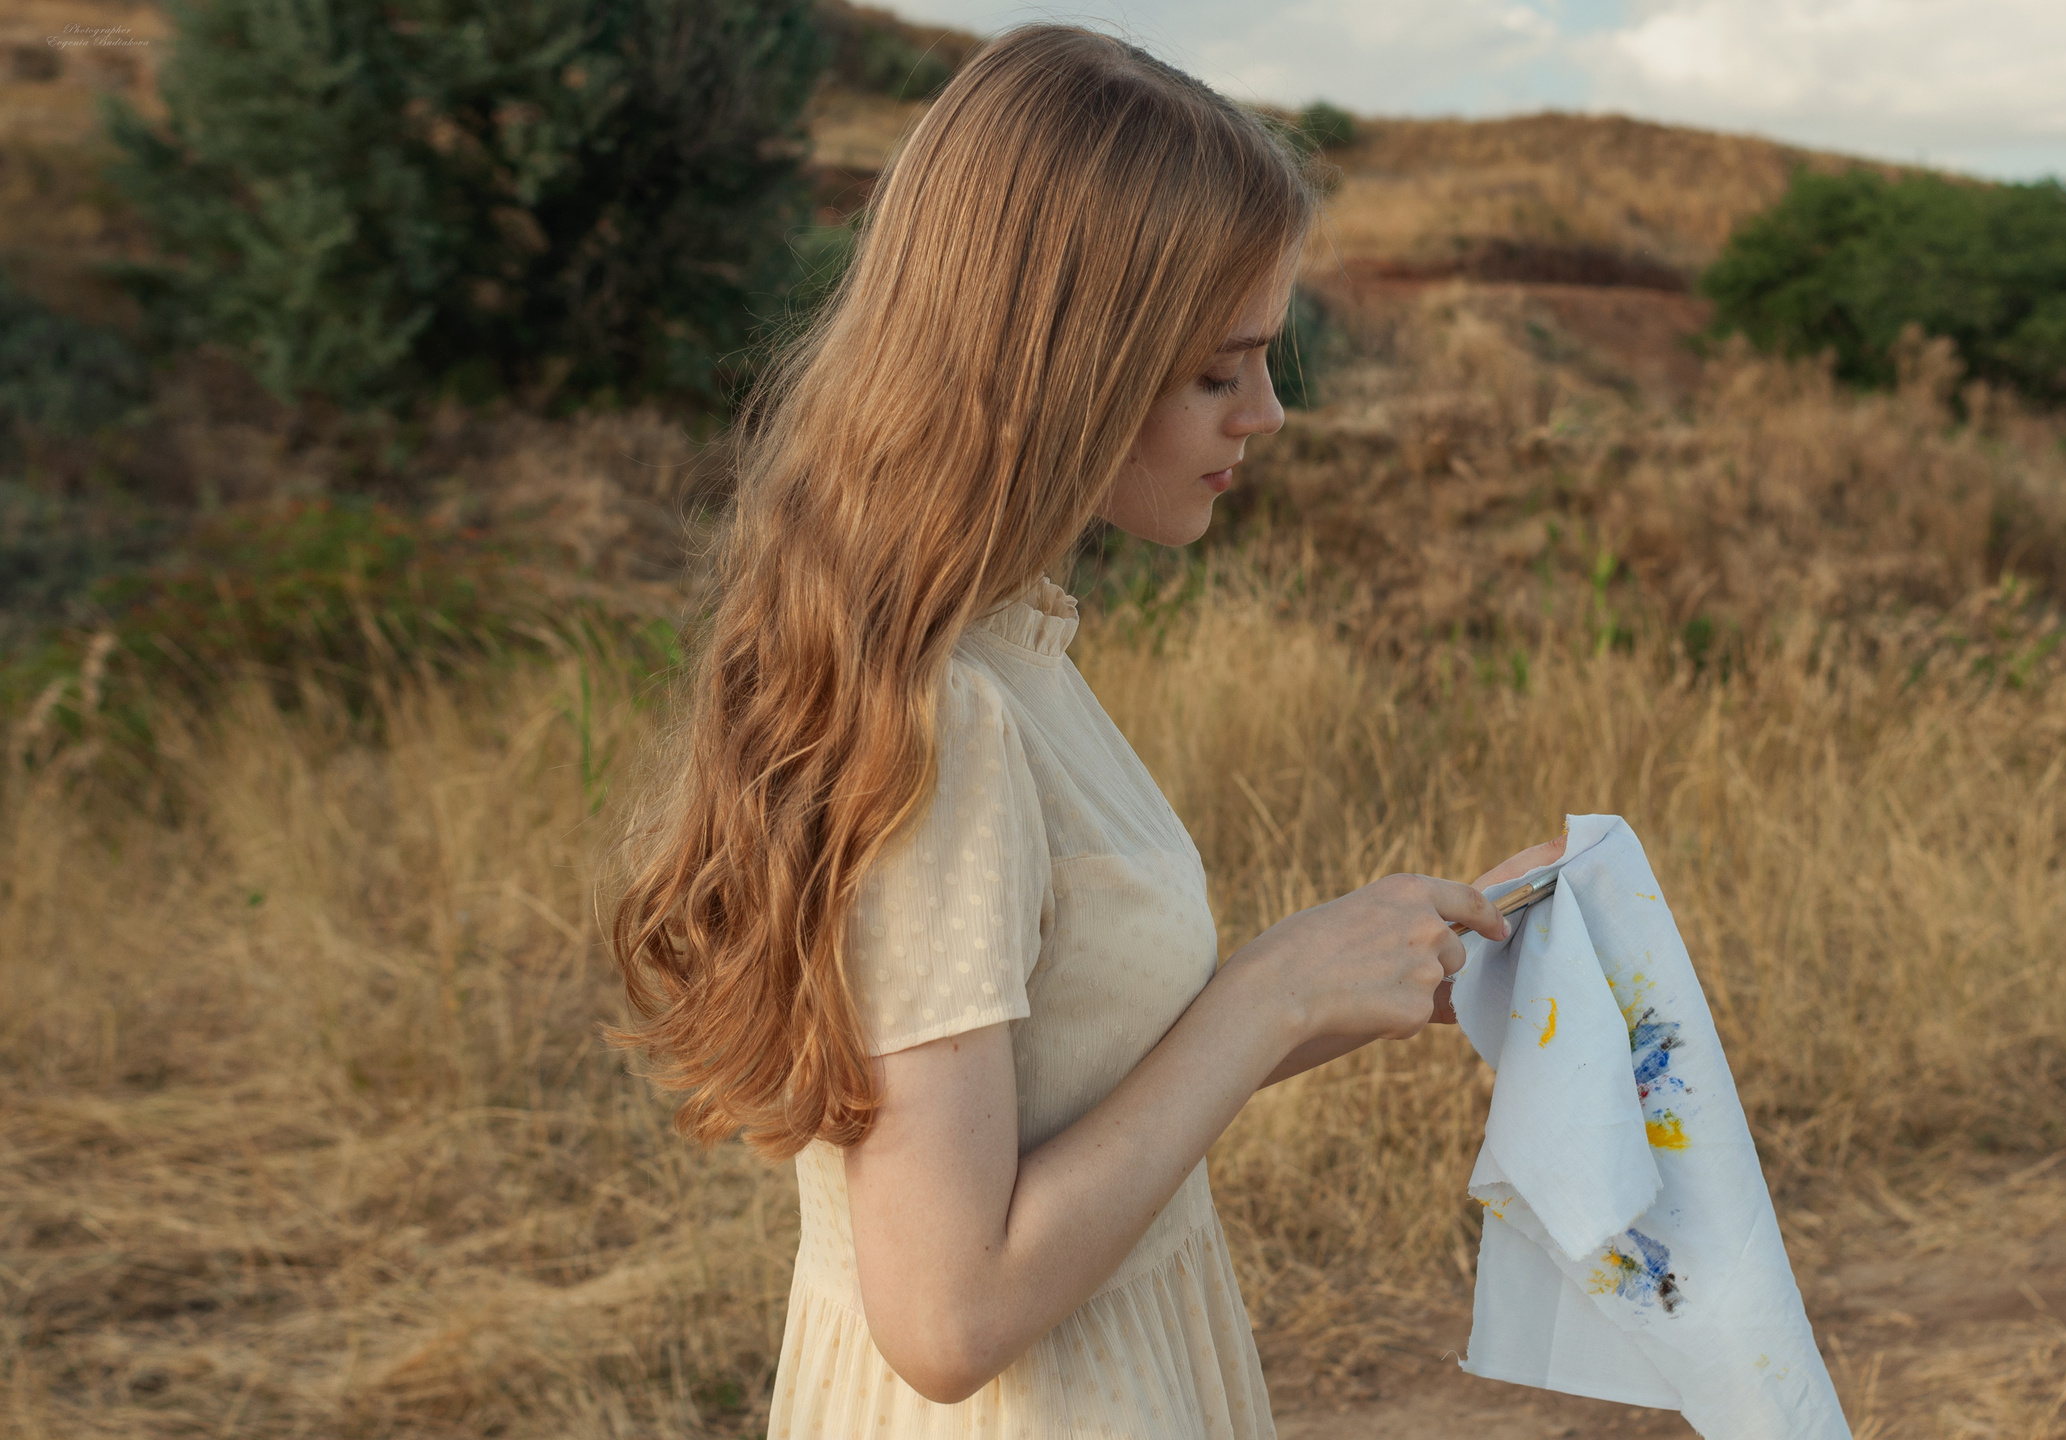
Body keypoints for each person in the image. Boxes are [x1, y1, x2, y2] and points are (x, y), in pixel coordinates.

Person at [609, 25, 1565, 1439]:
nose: (1269, 413)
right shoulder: (952, 722)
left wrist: (1370, 965)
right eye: (1216, 372)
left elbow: (1064, 1087)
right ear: (1059, 370)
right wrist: (1271, 995)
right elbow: (946, 1319)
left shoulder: (999, 650)